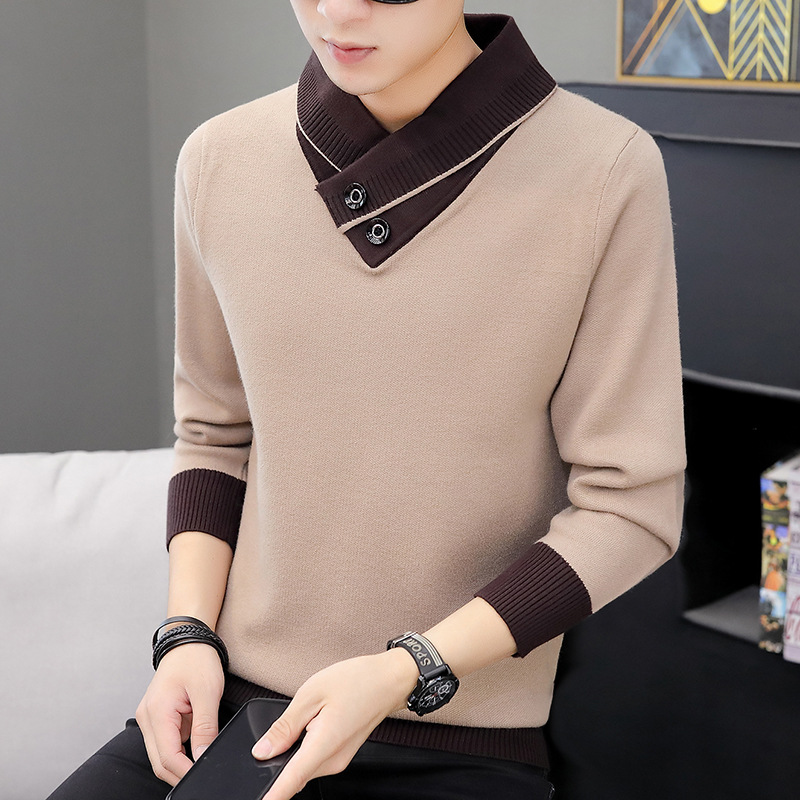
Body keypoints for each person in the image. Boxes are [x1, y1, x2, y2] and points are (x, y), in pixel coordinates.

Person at [48, 1, 686, 798]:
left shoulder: (604, 169)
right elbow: (214, 436)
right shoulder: (220, 160)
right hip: (233, 714)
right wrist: (185, 638)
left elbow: (631, 505)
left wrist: (408, 668)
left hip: (458, 734)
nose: (339, 10)